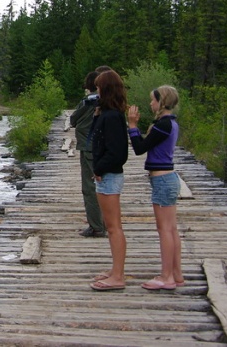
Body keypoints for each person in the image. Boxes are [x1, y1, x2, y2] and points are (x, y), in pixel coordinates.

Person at [127, 85, 184, 290]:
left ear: (162, 102)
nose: (151, 103)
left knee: (164, 230)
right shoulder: (171, 123)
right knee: (171, 229)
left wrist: (132, 126)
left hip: (162, 180)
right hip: (168, 179)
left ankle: (166, 277)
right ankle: (176, 273)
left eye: (153, 100)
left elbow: (140, 148)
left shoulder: (162, 125)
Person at [89, 69, 129, 291]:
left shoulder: (112, 117)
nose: (96, 91)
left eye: (98, 87)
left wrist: (99, 168)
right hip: (106, 176)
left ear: (105, 89)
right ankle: (115, 270)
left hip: (109, 176)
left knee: (114, 228)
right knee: (111, 226)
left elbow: (118, 153)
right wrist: (96, 115)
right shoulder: (108, 114)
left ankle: (118, 276)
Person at [70, 71, 105, 237]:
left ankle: (96, 227)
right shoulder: (107, 101)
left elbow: (73, 120)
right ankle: (104, 223)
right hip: (102, 148)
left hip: (88, 148)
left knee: (90, 188)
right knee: (104, 186)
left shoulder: (88, 101)